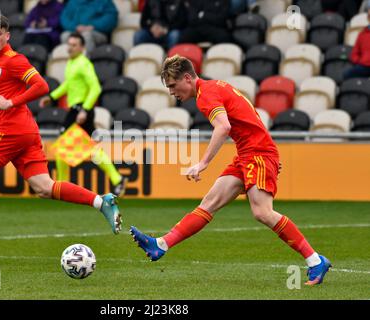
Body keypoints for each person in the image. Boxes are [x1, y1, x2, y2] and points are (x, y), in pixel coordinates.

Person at [130, 55, 332, 286]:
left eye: (173, 86)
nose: (171, 92)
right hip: (249, 153)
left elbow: (223, 127)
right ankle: (161, 245)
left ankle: (315, 260)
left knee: (262, 212)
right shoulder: (214, 87)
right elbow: (248, 116)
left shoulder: (206, 94)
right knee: (209, 204)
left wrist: (203, 162)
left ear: (187, 78)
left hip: (256, 154)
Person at [0, 14, 122, 257]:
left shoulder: (15, 60)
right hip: (26, 132)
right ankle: (101, 201)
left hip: (12, 130)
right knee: (44, 187)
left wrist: (12, 102)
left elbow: (41, 86)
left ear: (7, 36)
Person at [40, 32, 127, 197]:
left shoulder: (84, 64)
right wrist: (52, 97)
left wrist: (85, 110)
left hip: (80, 111)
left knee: (62, 147)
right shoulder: (72, 63)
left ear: (82, 47)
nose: (70, 48)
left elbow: (96, 88)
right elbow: (69, 85)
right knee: (89, 148)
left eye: (74, 45)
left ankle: (61, 188)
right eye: (69, 44)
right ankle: (117, 179)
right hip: (77, 110)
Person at [343, 5, 370, 80]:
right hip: (364, 66)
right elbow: (355, 53)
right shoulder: (362, 34)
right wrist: (359, 61)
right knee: (346, 75)